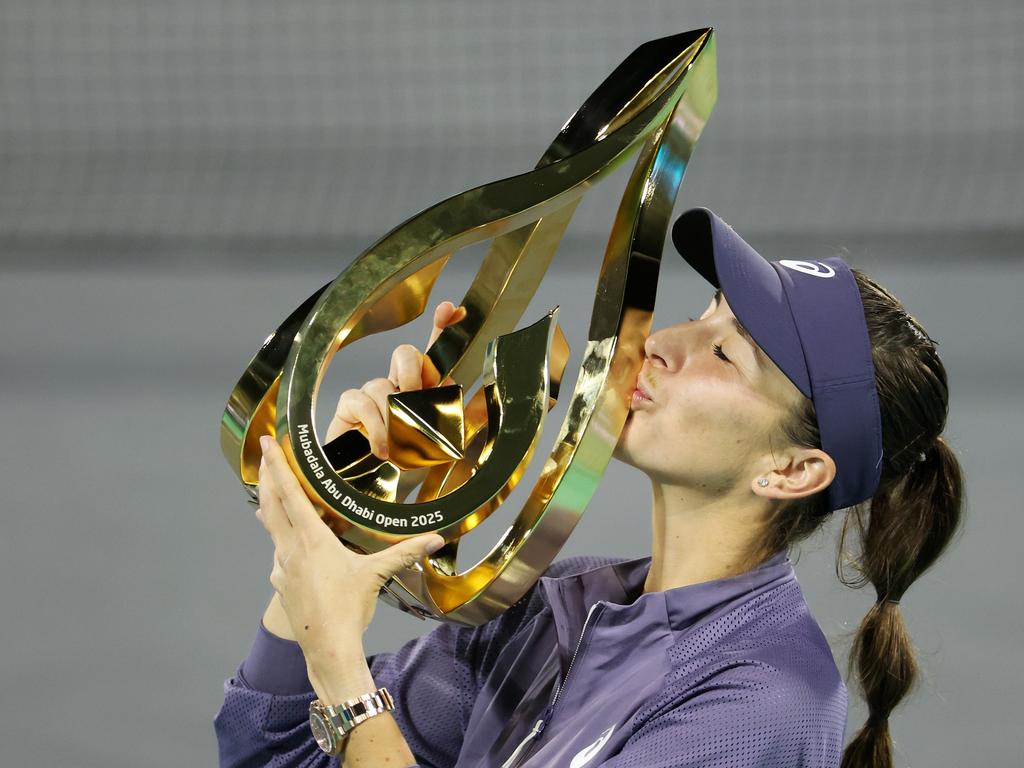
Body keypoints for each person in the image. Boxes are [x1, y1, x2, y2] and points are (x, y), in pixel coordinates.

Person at [213, 206, 964, 768]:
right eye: (702, 313)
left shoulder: (760, 708)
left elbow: (342, 714)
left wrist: (343, 667)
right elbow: (273, 753)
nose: (663, 343)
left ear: (792, 470)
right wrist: (347, 520)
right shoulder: (560, 606)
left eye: (726, 352)